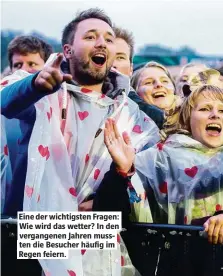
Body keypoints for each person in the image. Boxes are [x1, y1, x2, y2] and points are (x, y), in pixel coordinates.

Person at [1, 8, 159, 276]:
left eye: (109, 39)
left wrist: (120, 178)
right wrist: (35, 85)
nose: (101, 43)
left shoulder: (130, 115)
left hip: (101, 247)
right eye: (90, 36)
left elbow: (136, 197)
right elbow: (5, 102)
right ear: (68, 50)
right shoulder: (45, 92)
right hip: (35, 239)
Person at [94, 85, 223, 245]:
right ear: (186, 118)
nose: (215, 115)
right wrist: (120, 173)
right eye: (205, 109)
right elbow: (107, 217)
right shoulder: (158, 158)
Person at [1, 35, 53, 216]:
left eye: (32, 64)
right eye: (18, 65)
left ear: (47, 68)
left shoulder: (53, 108)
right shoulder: (4, 97)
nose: (23, 70)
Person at [112, 26, 164, 128]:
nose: (113, 64)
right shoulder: (73, 101)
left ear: (131, 68)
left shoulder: (152, 116)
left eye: (120, 57)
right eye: (108, 56)